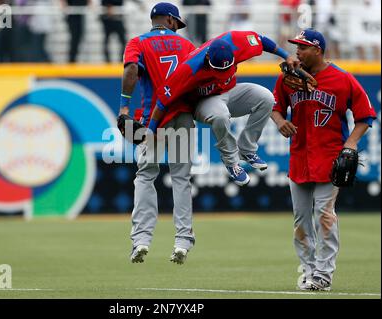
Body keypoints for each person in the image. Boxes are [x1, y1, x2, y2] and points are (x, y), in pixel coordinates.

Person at [271, 29, 377, 291]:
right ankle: (308, 271)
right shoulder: (289, 77)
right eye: (296, 46)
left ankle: (323, 274)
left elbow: (366, 115)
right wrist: (281, 121)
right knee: (300, 220)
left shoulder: (342, 79)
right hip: (299, 158)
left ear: (318, 50)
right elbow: (275, 107)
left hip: (330, 158)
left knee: (324, 216)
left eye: (303, 47)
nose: (297, 51)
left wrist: (351, 143)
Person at [148, 30, 298, 186]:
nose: (223, 74)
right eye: (218, 71)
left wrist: (286, 55)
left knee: (266, 98)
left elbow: (260, 39)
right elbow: (162, 102)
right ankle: (232, 162)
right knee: (220, 115)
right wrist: (151, 130)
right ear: (208, 58)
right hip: (203, 102)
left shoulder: (235, 41)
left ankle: (247, 149)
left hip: (229, 93)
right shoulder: (188, 68)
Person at [120, 2, 196, 264]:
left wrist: (123, 107)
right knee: (181, 178)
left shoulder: (137, 42)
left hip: (152, 118)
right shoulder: (187, 46)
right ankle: (183, 241)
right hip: (182, 115)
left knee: (145, 176)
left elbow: (131, 69)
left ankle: (141, 239)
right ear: (171, 21)